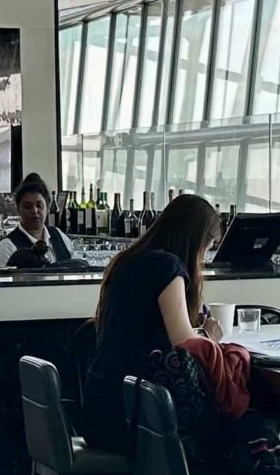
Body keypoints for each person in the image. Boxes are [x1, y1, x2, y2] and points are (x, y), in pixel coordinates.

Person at [78, 192, 236, 453]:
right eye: (208, 247)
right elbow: (184, 343)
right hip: (134, 417)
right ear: (196, 239)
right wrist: (209, 337)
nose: (204, 258)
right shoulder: (166, 266)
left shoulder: (130, 260)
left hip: (101, 411)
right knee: (235, 425)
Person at [0, 174, 78, 269]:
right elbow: (4, 282)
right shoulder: (7, 246)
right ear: (19, 209)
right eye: (28, 206)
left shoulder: (59, 236)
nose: (34, 211)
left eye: (39, 205)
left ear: (47, 208)